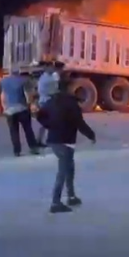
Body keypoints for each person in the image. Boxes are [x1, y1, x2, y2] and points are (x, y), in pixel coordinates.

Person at [37, 81, 96, 214]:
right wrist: (91, 135)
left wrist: (50, 125)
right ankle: (55, 203)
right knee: (63, 171)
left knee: (69, 168)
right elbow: (80, 123)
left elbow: (40, 116)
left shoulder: (50, 102)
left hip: (54, 141)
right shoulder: (72, 105)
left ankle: (71, 196)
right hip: (65, 141)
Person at [0, 68, 41, 156]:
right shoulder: (23, 80)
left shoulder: (2, 81)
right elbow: (28, 94)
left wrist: (0, 107)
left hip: (9, 110)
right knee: (28, 129)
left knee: (14, 131)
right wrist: (30, 105)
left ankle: (17, 151)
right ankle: (33, 148)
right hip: (22, 108)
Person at [36, 61, 61, 147]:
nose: (52, 68)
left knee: (51, 121)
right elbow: (42, 91)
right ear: (46, 68)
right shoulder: (44, 79)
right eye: (50, 67)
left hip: (51, 101)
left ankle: (43, 140)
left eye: (53, 67)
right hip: (45, 101)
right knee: (46, 122)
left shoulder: (53, 75)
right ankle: (41, 140)